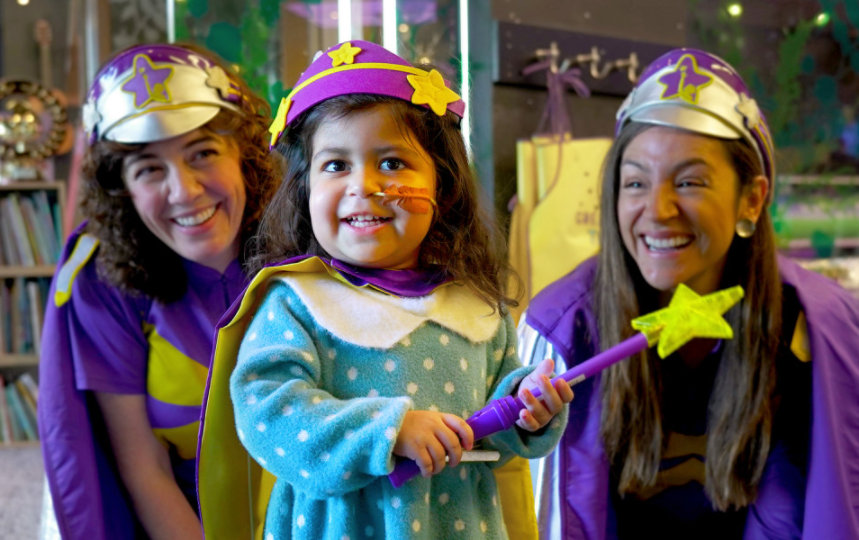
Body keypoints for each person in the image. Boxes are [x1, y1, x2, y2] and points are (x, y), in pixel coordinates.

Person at [195, 40, 574, 539]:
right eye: (336, 165)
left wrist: (525, 407)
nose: (364, 186)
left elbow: (493, 436)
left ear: (442, 184)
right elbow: (268, 415)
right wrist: (387, 431)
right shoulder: (297, 304)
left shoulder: (476, 307)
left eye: (393, 163)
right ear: (306, 186)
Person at [519, 48, 859, 539]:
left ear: (752, 197)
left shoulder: (819, 330)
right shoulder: (560, 332)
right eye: (635, 182)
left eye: (690, 181)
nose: (658, 210)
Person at [37, 43, 278, 539]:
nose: (184, 190)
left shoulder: (314, 245)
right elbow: (143, 470)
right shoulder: (104, 282)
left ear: (245, 155)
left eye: (203, 154)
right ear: (122, 188)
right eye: (149, 168)